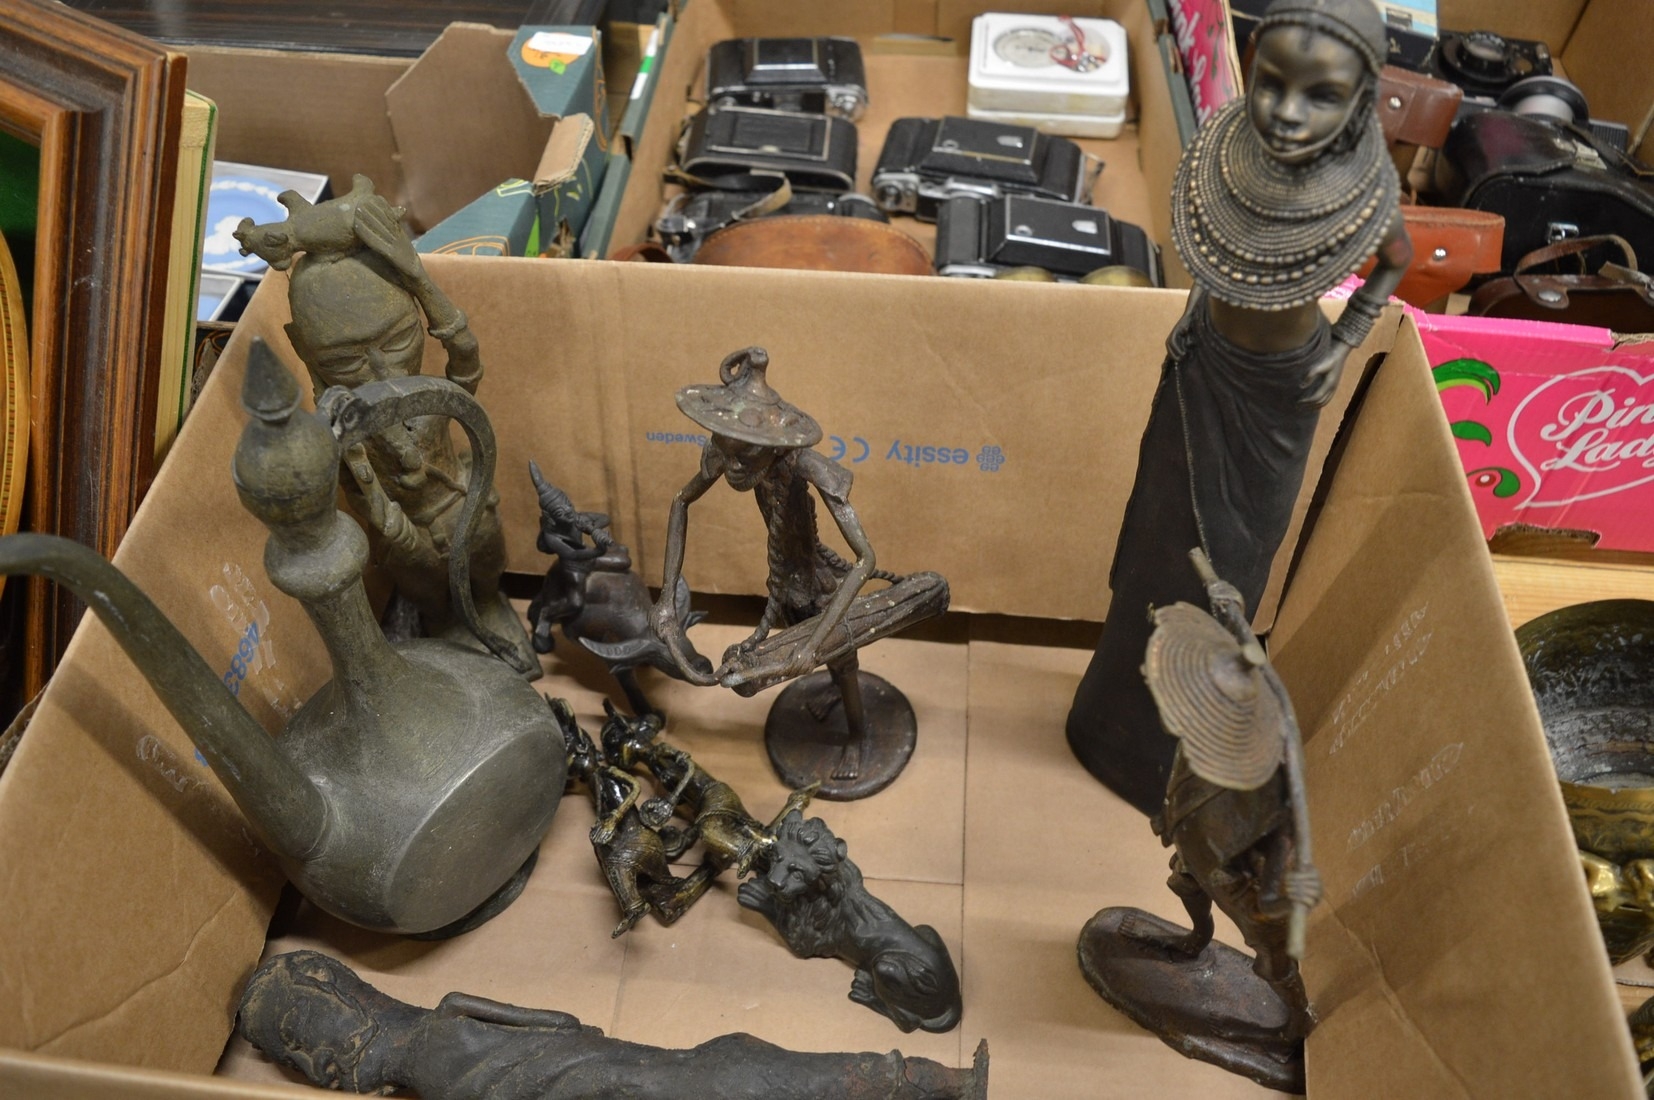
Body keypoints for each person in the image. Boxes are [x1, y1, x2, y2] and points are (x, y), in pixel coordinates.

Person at [1066, 0, 1411, 813]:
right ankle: (1107, 722)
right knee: (1153, 549)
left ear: (1361, 100)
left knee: (1228, 564)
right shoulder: (1226, 154)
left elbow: (1394, 259)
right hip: (1201, 364)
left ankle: (1176, 750)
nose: (1287, 113)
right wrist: (1195, 314)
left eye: (1321, 96)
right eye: (1271, 84)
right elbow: (1220, 263)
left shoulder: (1360, 189)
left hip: (1279, 390)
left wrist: (1346, 338)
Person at [236, 177, 535, 671]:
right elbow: (353, 487)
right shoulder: (346, 423)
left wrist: (420, 280)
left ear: (416, 321)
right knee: (427, 595)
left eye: (396, 343)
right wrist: (391, 523)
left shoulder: (432, 398)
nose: (380, 372)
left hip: (464, 505)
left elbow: (465, 360)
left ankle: (486, 611)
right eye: (347, 362)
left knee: (486, 567)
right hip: (404, 533)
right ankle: (446, 630)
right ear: (308, 351)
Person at [238, 949, 988, 1100]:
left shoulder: (425, 1077)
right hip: (658, 1073)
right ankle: (941, 1083)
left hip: (636, 1084)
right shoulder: (446, 1020)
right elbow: (556, 1021)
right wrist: (583, 1044)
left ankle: (941, 1085)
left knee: (785, 1081)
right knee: (788, 1078)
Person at [651, 347, 887, 786]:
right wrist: (666, 599)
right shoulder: (729, 448)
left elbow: (865, 558)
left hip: (819, 584)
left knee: (842, 660)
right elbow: (681, 501)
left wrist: (813, 644)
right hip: (785, 584)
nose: (732, 467)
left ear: (772, 445)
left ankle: (857, 733)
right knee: (815, 652)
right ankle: (832, 685)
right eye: (727, 452)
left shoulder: (806, 465)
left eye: (745, 457)